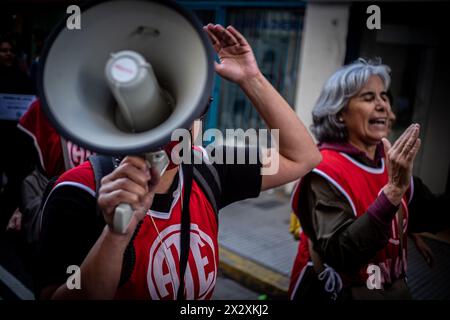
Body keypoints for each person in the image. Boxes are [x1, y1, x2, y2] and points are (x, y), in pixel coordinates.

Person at [35, 24, 321, 300]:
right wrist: (115, 235)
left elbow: (302, 157)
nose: (169, 127)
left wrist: (250, 78)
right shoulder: (78, 190)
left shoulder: (208, 168)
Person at [289, 58, 422, 300]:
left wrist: (411, 229)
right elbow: (341, 253)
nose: (382, 105)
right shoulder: (325, 168)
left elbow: (428, 210)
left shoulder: (390, 160)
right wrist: (392, 193)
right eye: (369, 98)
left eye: (384, 96)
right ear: (340, 114)